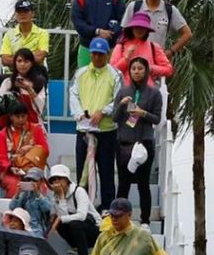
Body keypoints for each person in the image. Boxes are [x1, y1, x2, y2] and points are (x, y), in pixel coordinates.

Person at [111, 58, 163, 222]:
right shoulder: (123, 91)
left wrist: (143, 113)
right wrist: (121, 105)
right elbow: (114, 117)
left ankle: (145, 220)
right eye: (133, 68)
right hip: (124, 144)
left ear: (146, 71)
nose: (136, 71)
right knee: (123, 184)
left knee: (143, 184)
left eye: (140, 68)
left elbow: (156, 119)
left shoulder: (154, 93)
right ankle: (118, 218)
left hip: (144, 144)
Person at [73, 37, 119, 208]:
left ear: (107, 54)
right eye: (94, 54)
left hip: (106, 131)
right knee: (82, 173)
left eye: (101, 54)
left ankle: (107, 208)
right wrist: (79, 113)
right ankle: (84, 207)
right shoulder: (80, 73)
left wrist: (104, 111)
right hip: (84, 130)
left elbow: (119, 99)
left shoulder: (115, 75)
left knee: (106, 172)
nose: (97, 58)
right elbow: (73, 95)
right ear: (90, 54)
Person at [120, 0, 192, 53]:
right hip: (135, 59)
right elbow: (124, 33)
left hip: (157, 59)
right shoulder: (134, 7)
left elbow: (187, 34)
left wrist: (171, 51)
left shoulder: (170, 10)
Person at [70, 0, 125, 66]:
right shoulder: (80, 0)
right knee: (84, 79)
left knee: (112, 79)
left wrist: (109, 34)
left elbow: (123, 21)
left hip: (111, 47)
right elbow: (78, 24)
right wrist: (97, 32)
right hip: (87, 47)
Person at [44, 164, 98, 255]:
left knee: (75, 224)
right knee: (62, 224)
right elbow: (63, 219)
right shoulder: (56, 197)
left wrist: (61, 218)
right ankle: (74, 246)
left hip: (93, 229)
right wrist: (61, 197)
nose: (56, 182)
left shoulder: (79, 191)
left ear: (67, 180)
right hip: (76, 231)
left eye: (59, 179)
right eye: (53, 180)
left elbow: (82, 216)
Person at [0, 100, 49, 199]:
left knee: (39, 188)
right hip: (11, 172)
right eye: (17, 117)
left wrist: (31, 148)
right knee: (15, 186)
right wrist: (11, 168)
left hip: (33, 171)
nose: (21, 119)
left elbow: (45, 151)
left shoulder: (36, 129)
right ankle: (14, 213)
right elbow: (2, 158)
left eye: (23, 116)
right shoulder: (3, 134)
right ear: (11, 116)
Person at [110, 13, 173, 86]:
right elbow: (112, 71)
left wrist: (150, 69)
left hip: (147, 92)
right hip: (125, 91)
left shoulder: (154, 47)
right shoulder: (121, 46)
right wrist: (126, 58)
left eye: (143, 27)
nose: (139, 30)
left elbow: (168, 70)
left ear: (147, 30)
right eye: (137, 27)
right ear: (132, 28)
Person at [0, 47, 49, 121]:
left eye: (26, 61)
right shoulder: (8, 82)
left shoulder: (38, 83)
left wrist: (29, 89)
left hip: (32, 124)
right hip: (12, 123)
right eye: (19, 61)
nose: (22, 64)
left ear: (32, 64)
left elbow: (41, 109)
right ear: (15, 63)